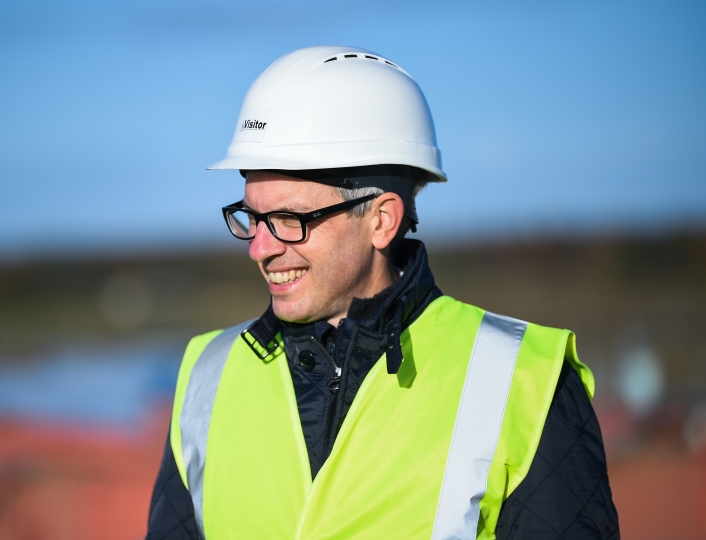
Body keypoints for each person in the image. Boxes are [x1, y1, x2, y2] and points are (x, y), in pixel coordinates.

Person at [146, 45, 619, 539]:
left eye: (289, 219)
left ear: (381, 219)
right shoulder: (207, 373)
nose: (259, 248)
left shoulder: (523, 379)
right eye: (253, 217)